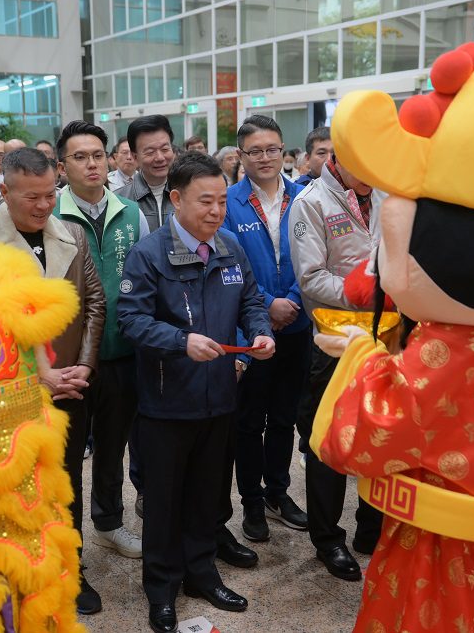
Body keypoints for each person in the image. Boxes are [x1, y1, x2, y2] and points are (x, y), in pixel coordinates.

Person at [117, 151, 274, 633]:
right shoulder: (149, 253)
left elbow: (251, 300)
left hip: (221, 397)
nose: (216, 211)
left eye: (223, 201)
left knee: (208, 495)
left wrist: (260, 333)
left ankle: (201, 574)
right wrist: (180, 342)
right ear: (176, 198)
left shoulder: (228, 246)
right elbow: (131, 319)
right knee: (164, 503)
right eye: (205, 201)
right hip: (168, 404)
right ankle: (161, 587)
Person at [0, 147, 106, 615]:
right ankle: (21, 571)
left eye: (50, 195)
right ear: (3, 192)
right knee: (17, 487)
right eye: (32, 197)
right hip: (15, 395)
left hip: (72, 384)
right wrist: (38, 379)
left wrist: (84, 365)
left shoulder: (72, 236)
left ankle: (71, 567)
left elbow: (94, 304)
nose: (44, 205)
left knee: (67, 481)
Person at [53, 120, 149, 565]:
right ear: (61, 166)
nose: (91, 164)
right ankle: (65, 541)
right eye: (79, 156)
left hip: (123, 353)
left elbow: (147, 279)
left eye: (97, 155)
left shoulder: (131, 212)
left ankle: (108, 523)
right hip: (68, 363)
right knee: (66, 459)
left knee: (113, 447)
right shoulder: (50, 215)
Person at [288, 151, 385, 580]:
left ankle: (373, 527)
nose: (370, 177)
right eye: (361, 168)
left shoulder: (384, 195)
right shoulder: (310, 202)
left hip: (386, 336)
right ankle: (327, 538)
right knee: (328, 441)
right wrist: (367, 291)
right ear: (338, 159)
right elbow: (310, 279)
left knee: (379, 436)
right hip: (335, 342)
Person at [222, 116, 310, 553]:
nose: (264, 158)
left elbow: (314, 257)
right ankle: (252, 501)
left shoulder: (304, 196)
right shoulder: (228, 201)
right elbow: (232, 268)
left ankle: (277, 491)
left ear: (283, 151)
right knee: (248, 420)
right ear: (241, 156)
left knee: (285, 417)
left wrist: (290, 300)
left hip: (298, 323)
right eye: (254, 151)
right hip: (251, 330)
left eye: (272, 149)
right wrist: (265, 309)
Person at [115, 115, 176, 231]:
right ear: (135, 157)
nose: (160, 157)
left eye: (165, 149)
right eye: (150, 152)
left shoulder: (187, 193)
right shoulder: (119, 201)